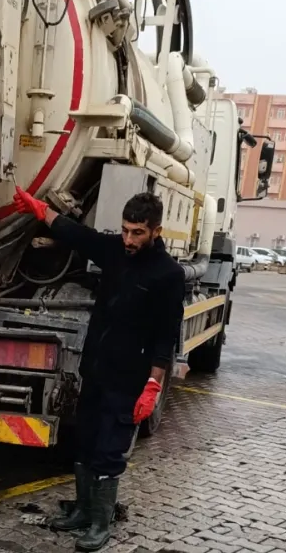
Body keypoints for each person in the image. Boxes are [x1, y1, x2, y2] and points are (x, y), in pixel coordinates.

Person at [12, 186, 186, 552]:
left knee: (108, 450)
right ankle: (81, 511)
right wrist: (41, 210)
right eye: (125, 230)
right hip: (96, 368)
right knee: (86, 442)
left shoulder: (168, 275)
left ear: (156, 231)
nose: (128, 239)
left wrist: (153, 385)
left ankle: (99, 523)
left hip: (129, 379)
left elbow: (166, 335)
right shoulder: (115, 252)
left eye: (137, 233)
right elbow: (80, 236)